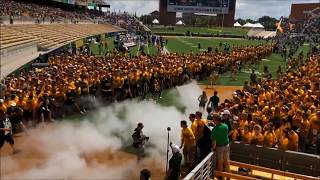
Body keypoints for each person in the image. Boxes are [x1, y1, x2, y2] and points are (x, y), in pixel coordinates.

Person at [211, 113, 230, 178]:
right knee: (226, 161)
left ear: (216, 120)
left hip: (220, 147)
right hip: (227, 146)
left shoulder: (214, 129)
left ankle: (222, 178)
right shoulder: (226, 126)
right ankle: (228, 177)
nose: (213, 121)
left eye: (213, 119)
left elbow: (214, 141)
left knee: (220, 163)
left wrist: (213, 149)